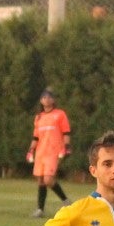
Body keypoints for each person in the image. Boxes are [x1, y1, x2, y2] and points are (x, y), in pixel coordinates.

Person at [27, 88, 71, 216]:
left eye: (49, 97)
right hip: (41, 152)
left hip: (54, 151)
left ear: (53, 100)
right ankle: (40, 209)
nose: (47, 99)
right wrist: (31, 150)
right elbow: (36, 137)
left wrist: (67, 146)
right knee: (40, 180)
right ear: (41, 100)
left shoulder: (60, 114)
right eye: (44, 97)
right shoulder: (39, 117)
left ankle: (66, 201)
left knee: (48, 179)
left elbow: (66, 132)